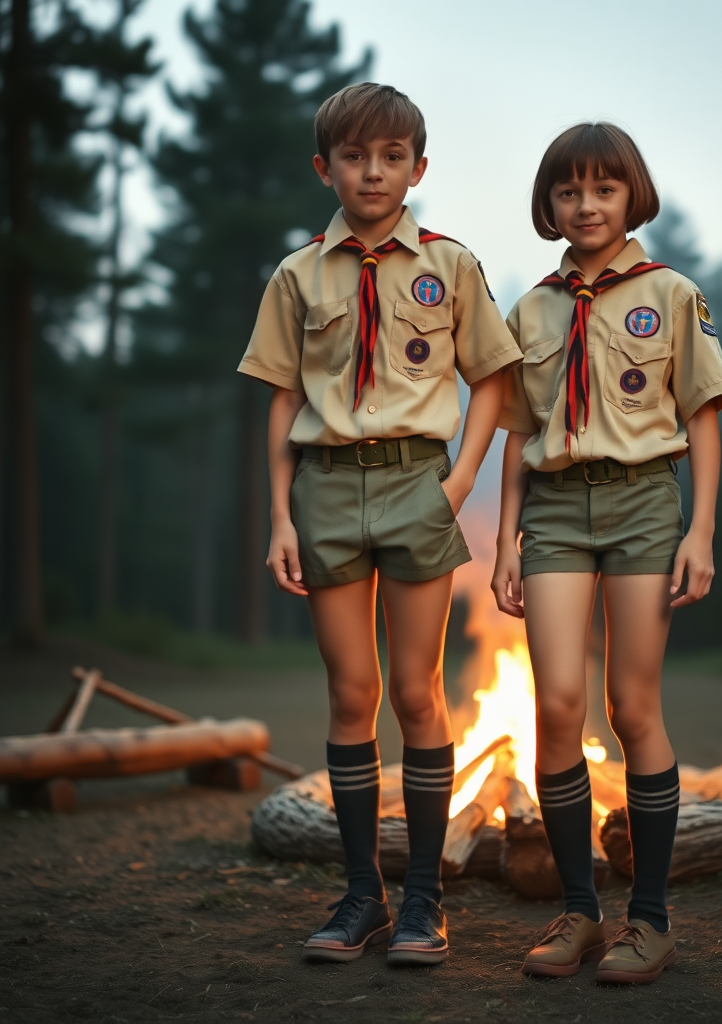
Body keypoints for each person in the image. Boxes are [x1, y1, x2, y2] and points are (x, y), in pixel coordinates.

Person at [238, 82, 520, 966]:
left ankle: (424, 901)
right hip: (324, 490)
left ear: (418, 168)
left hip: (414, 486)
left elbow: (495, 380)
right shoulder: (297, 275)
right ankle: (362, 893)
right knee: (351, 693)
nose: (374, 171)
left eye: (392, 156)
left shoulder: (450, 265)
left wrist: (461, 476)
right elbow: (282, 398)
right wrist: (280, 516)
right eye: (355, 156)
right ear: (326, 169)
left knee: (416, 692)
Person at [491, 122, 722, 985]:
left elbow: (702, 415)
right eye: (568, 191)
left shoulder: (671, 293)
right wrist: (508, 543)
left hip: (641, 506)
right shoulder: (531, 309)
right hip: (554, 511)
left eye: (603, 187)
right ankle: (580, 912)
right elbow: (518, 434)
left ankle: (652, 921)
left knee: (632, 707)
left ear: (632, 194)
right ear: (548, 206)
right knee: (557, 705)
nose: (586, 204)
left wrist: (699, 530)